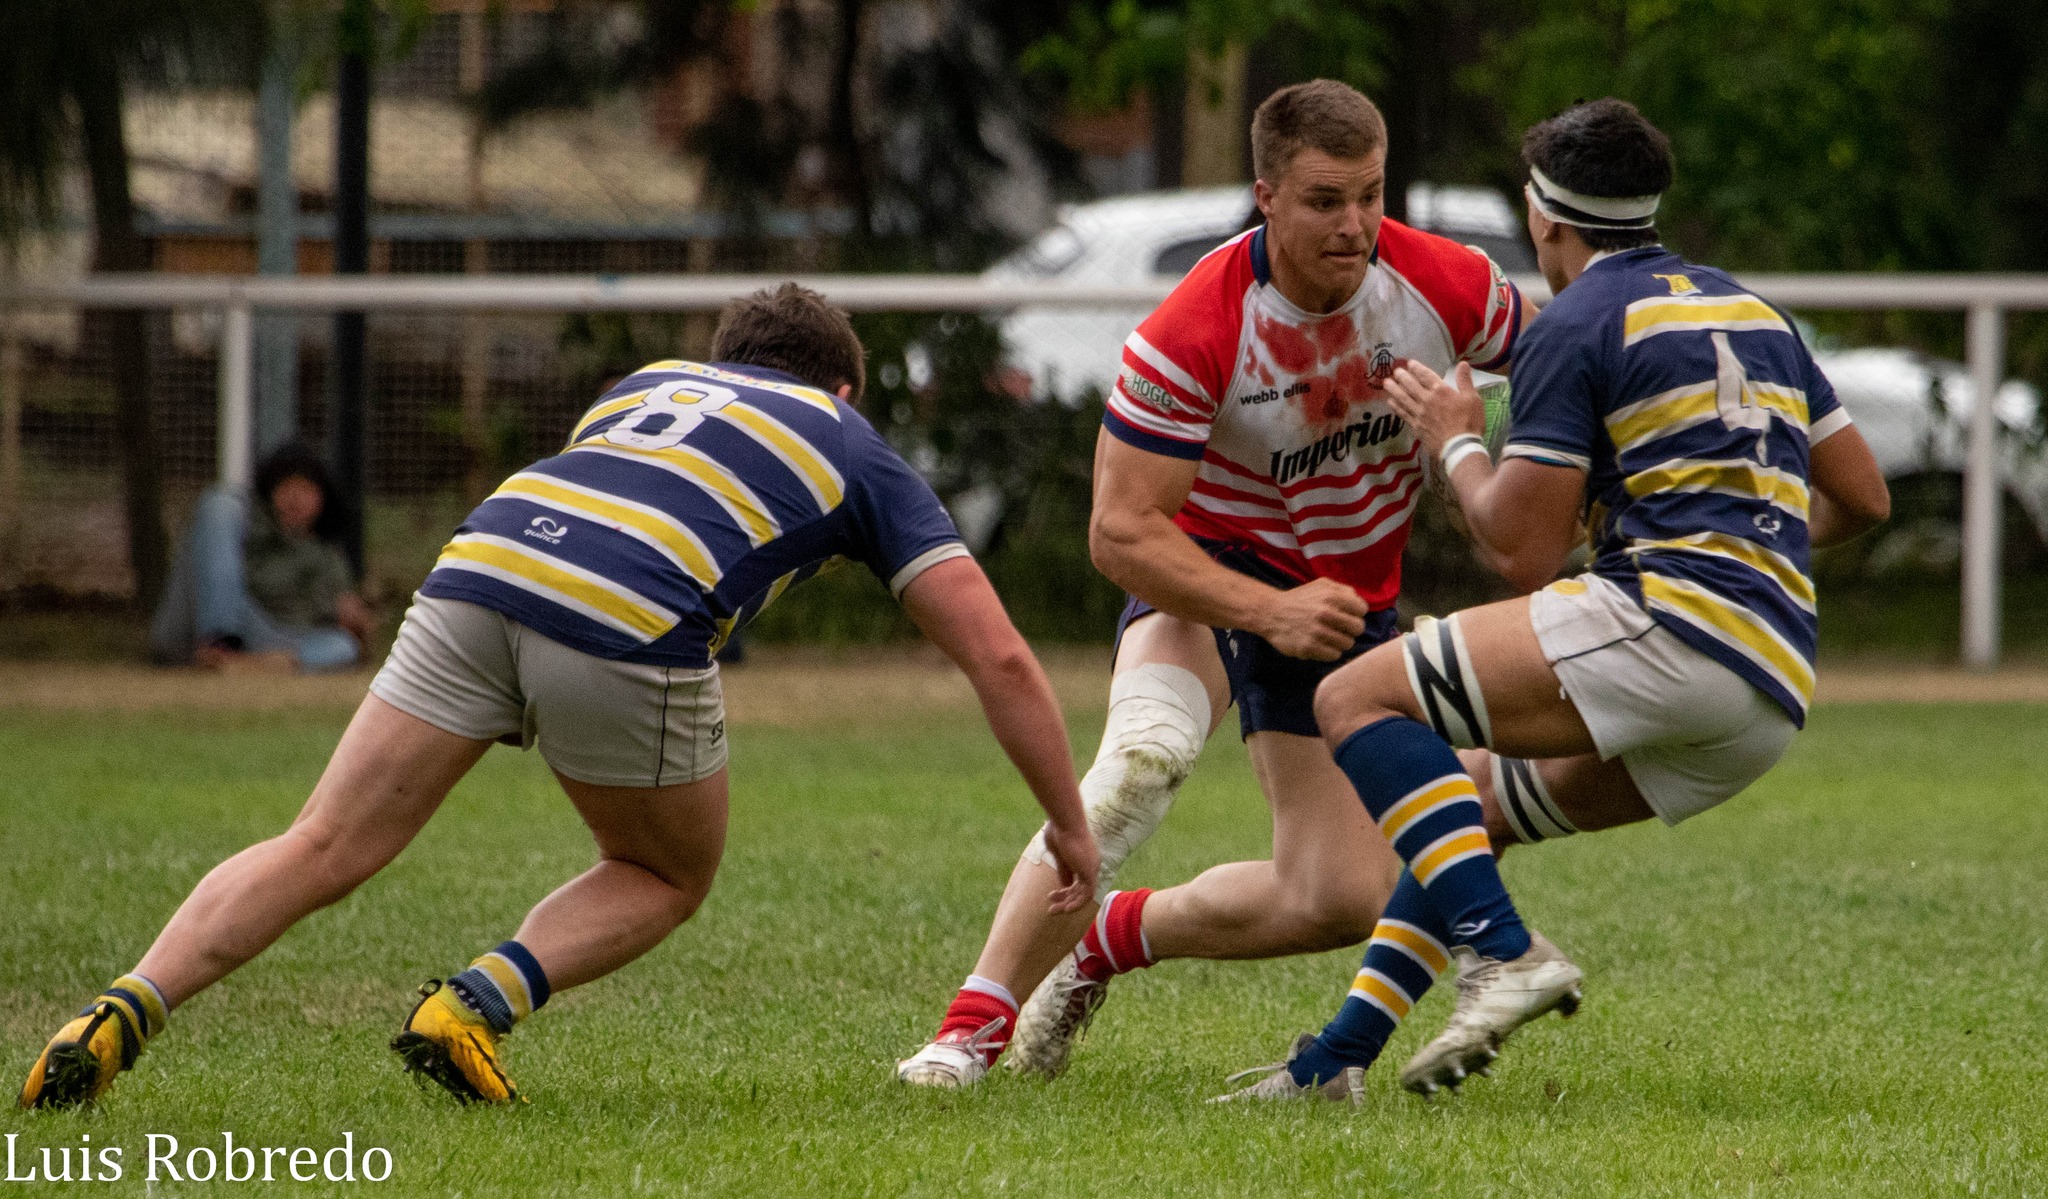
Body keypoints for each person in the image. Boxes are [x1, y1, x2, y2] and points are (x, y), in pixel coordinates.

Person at [19, 284, 1100, 1110]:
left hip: (480, 565)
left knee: (320, 840)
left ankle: (112, 1012)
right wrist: (1064, 820)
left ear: (723, 361)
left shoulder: (644, 382)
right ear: (844, 389)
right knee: (665, 869)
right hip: (627, 615)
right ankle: (470, 1005)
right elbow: (998, 656)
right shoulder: (851, 442)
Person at [1214, 98, 1891, 1103]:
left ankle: (1503, 951)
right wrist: (1738, 545)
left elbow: (1519, 549)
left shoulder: (1573, 321)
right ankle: (1333, 1060)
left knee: (1353, 698)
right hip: (1768, 686)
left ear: (1543, 218)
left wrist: (1454, 435)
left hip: (1664, 625)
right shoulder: (1751, 312)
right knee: (1472, 804)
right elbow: (1861, 497)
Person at [897, 78, 1525, 1088]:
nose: (1354, 223)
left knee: (1334, 895)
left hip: (1338, 608)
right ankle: (966, 1029)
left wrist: (1483, 447)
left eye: (1368, 195)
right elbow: (1118, 531)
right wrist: (1263, 606)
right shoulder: (1194, 325)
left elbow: (1552, 370)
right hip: (1204, 574)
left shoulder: (1439, 282)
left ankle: (1106, 938)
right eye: (1325, 200)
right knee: (1141, 760)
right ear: (1265, 194)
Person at [148, 441, 374, 672]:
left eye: (305, 490)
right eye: (286, 488)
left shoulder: (327, 554)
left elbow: (335, 618)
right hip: (195, 628)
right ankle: (220, 642)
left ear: (323, 500)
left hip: (266, 640)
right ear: (269, 493)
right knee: (219, 501)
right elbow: (241, 582)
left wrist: (353, 619)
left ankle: (247, 664)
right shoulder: (245, 528)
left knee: (343, 647)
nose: (295, 499)